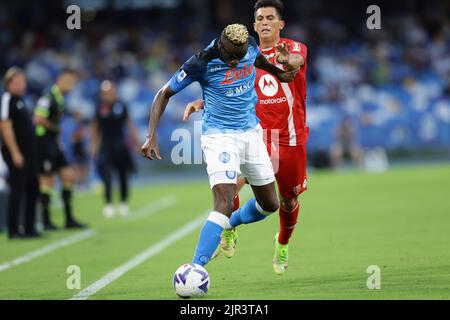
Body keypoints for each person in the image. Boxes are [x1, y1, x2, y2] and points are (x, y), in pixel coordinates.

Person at [141, 23, 298, 269]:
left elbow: (257, 61)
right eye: (230, 57)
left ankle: (231, 224)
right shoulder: (201, 62)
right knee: (223, 202)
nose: (235, 62)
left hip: (251, 133)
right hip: (219, 137)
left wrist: (279, 74)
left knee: (270, 205)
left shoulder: (249, 47)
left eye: (239, 56)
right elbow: (163, 93)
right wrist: (151, 135)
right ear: (220, 45)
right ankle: (196, 268)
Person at [183, 0, 308, 275]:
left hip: (289, 138)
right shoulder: (242, 53)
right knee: (233, 184)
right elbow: (230, 89)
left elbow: (296, 62)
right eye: (260, 18)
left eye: (270, 18)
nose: (264, 22)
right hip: (255, 133)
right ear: (253, 26)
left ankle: (283, 242)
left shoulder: (294, 49)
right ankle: (227, 227)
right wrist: (201, 102)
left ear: (280, 24)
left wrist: (288, 62)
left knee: (287, 201)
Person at [33, 69, 86, 230]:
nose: (72, 85)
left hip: (53, 143)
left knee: (68, 175)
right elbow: (38, 119)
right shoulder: (47, 97)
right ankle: (46, 221)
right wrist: (55, 129)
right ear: (61, 80)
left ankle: (69, 219)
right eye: (70, 81)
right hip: (43, 142)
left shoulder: (60, 99)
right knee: (46, 180)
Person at [0, 67, 40, 239]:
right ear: (8, 83)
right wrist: (15, 152)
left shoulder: (21, 100)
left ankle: (29, 228)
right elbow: (5, 126)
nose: (22, 84)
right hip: (16, 153)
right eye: (17, 81)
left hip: (28, 153)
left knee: (33, 188)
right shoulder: (7, 98)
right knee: (18, 189)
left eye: (23, 81)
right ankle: (14, 229)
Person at [90, 80, 138, 218]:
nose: (109, 94)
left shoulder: (121, 105)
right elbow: (95, 127)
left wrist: (134, 143)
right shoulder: (99, 107)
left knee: (123, 175)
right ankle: (108, 203)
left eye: (111, 91)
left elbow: (129, 125)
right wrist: (93, 145)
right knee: (106, 175)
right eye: (106, 92)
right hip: (105, 145)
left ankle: (123, 202)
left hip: (120, 144)